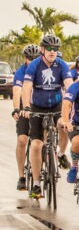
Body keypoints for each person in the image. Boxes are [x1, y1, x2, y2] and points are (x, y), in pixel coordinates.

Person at [21, 34, 74, 199]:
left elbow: (69, 85)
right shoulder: (34, 66)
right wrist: (27, 107)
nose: (52, 52)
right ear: (42, 50)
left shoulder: (62, 65)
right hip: (38, 106)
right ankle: (36, 184)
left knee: (63, 124)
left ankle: (60, 153)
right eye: (49, 49)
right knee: (36, 145)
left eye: (56, 49)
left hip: (57, 105)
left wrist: (72, 103)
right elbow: (27, 87)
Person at [11, 44, 41, 191]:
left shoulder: (43, 68)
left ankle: (47, 160)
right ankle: (21, 176)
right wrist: (17, 108)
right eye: (30, 58)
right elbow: (17, 90)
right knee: (22, 140)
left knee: (43, 140)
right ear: (25, 59)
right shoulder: (21, 72)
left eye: (35, 58)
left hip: (41, 107)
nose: (33, 60)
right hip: (25, 108)